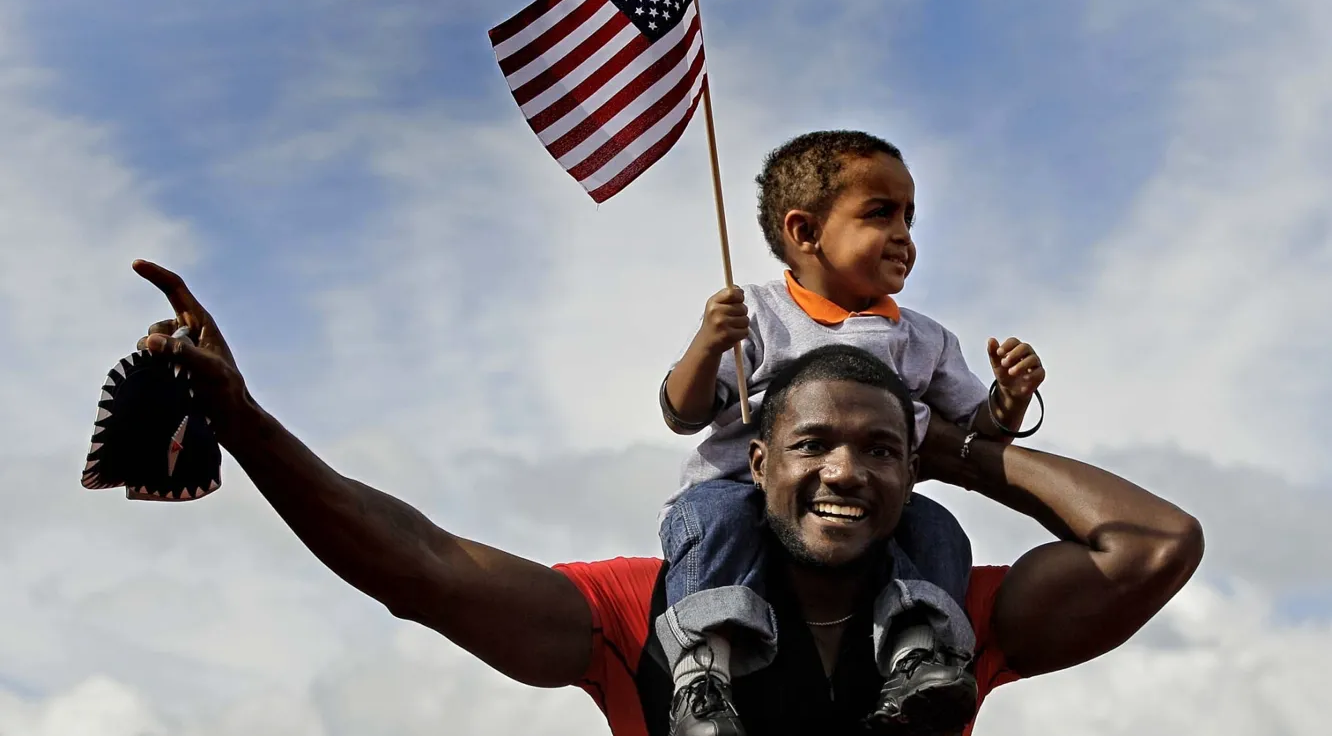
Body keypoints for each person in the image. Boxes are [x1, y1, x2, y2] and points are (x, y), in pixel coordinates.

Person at [127, 260, 1203, 736]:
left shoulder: (951, 615)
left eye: (879, 451)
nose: (847, 471)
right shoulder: (645, 612)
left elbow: (1157, 543)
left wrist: (957, 451)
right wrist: (248, 427)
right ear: (757, 463)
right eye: (815, 443)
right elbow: (423, 568)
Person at [658, 131, 1044, 734]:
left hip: (864, 503)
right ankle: (703, 677)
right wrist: (708, 345)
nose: (904, 236)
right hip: (736, 489)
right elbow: (685, 414)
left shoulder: (925, 339)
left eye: (909, 218)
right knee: (712, 527)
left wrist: (1009, 399)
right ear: (805, 233)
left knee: (934, 525)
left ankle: (918, 654)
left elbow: (977, 433)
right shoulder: (758, 313)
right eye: (879, 213)